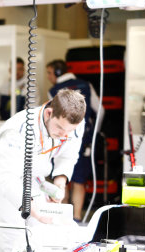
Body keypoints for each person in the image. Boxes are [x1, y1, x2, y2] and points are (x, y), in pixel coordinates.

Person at [0, 88, 86, 252]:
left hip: (34, 173)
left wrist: (60, 181)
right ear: (49, 113)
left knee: (41, 232)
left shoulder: (74, 124)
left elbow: (68, 155)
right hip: (3, 175)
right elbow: (6, 178)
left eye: (68, 131)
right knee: (11, 235)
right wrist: (33, 210)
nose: (64, 135)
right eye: (59, 128)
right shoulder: (18, 130)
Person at [46, 59, 103, 222]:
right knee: (79, 180)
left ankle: (63, 217)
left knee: (61, 177)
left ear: (57, 73)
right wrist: (92, 132)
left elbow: (50, 116)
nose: (49, 77)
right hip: (85, 141)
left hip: (60, 140)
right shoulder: (86, 85)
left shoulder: (54, 90)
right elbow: (100, 110)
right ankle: (77, 217)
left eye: (49, 73)